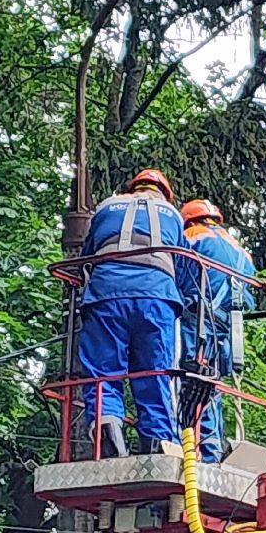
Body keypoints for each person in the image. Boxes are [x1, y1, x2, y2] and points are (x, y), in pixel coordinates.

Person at [76, 168, 195, 457]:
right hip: (156, 296)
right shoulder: (172, 215)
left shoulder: (106, 207)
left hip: (106, 293)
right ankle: (158, 444)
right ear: (164, 193)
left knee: (103, 371)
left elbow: (87, 255)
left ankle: (108, 431)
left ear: (134, 188)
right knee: (154, 371)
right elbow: (183, 268)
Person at [178, 198, 254, 463]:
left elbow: (175, 277)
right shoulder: (240, 250)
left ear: (189, 218)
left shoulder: (190, 237)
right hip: (229, 327)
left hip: (198, 320)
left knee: (189, 380)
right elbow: (249, 296)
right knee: (214, 386)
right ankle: (211, 451)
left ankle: (189, 445)